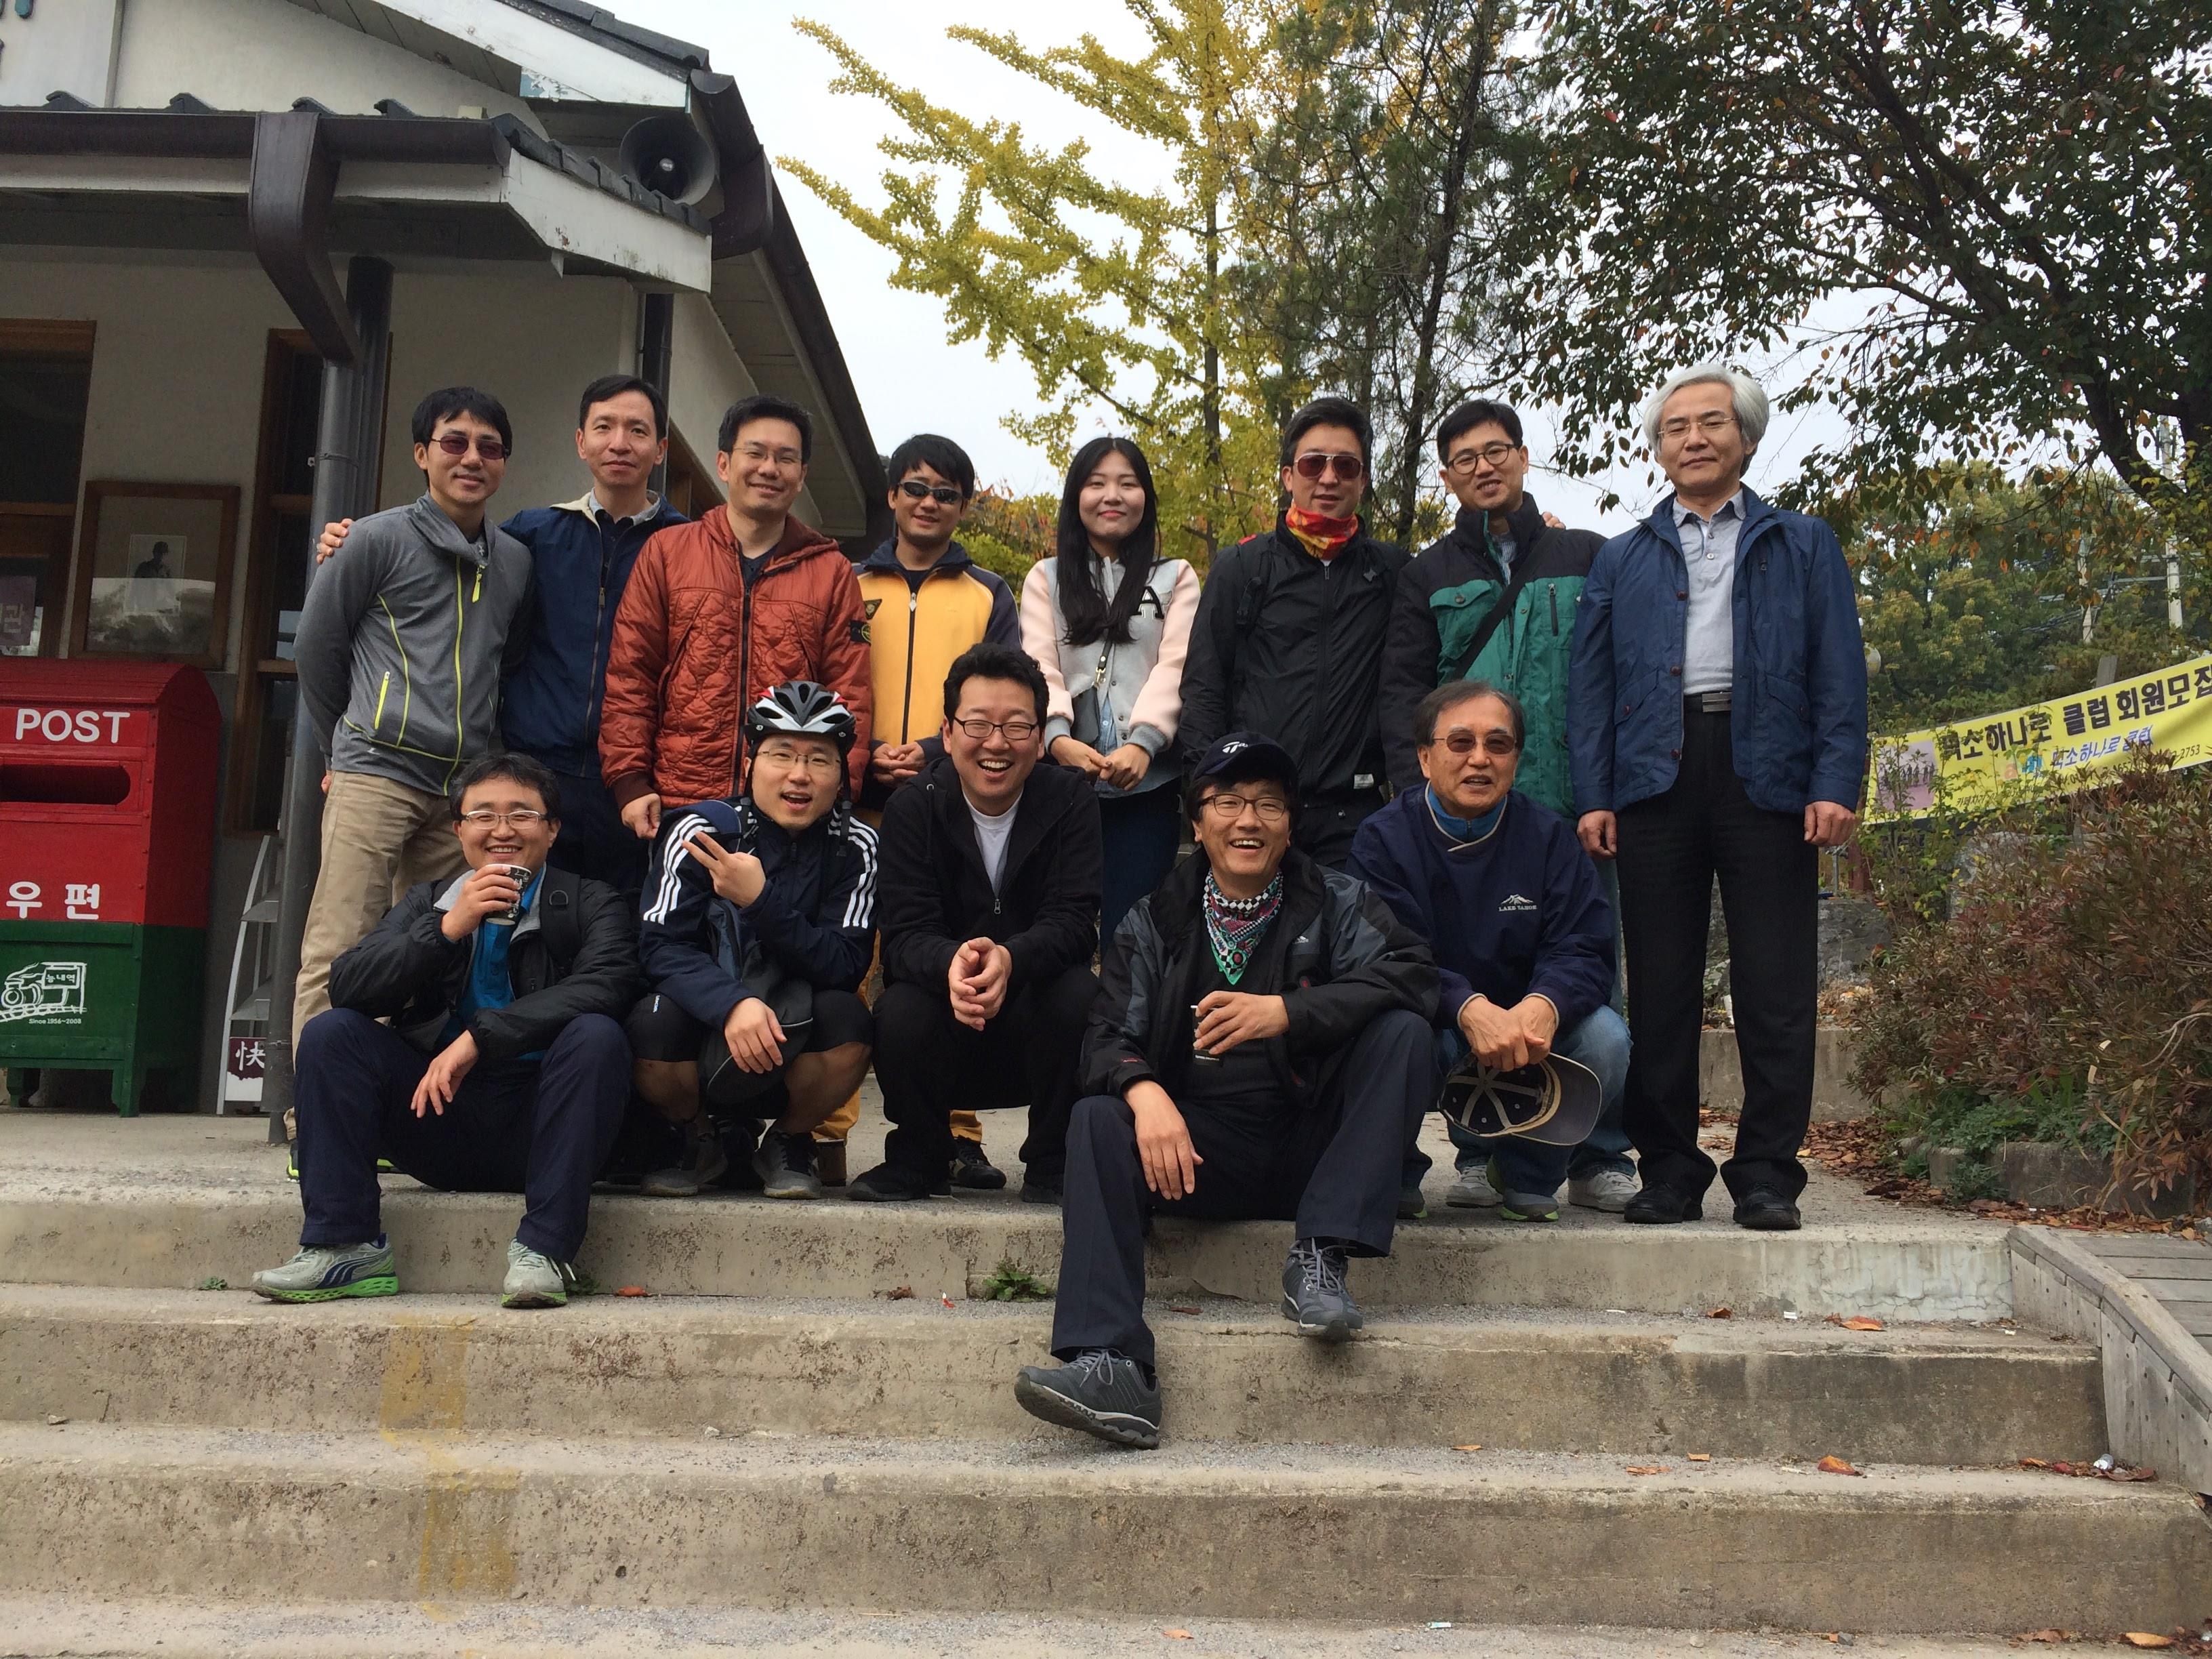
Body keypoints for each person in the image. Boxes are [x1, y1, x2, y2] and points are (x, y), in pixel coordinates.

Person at [1013, 733, 1437, 1449]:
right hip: (1199, 1153)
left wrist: (1289, 1013)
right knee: (1095, 1116)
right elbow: (1108, 1033)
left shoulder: (1335, 900)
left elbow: (1412, 975)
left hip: (1319, 1150)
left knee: (1405, 1031)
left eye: (1270, 804)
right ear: (1197, 821)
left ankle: (1321, 1257)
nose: (1250, 820)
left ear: (1291, 822)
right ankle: (1111, 1363)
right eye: (1229, 803)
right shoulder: (1155, 920)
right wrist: (1145, 1093)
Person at [1568, 365, 1868, 1231]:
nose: (1693, 439)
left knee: (1775, 983)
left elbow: (1838, 674)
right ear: (1658, 448)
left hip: (1767, 769)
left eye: (1711, 423)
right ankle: (1667, 1169)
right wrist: (1597, 793)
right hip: (1655, 774)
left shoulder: (1802, 543)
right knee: (1660, 985)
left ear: (1745, 436)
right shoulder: (1624, 557)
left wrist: (1835, 779)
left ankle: (1769, 1173)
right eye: (1675, 428)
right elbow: (1590, 689)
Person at [251, 754, 639, 1309]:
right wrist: (447, 927)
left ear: (552, 829)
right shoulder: (427, 901)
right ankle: (345, 1246)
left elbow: (608, 984)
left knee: (597, 1035)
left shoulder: (590, 901)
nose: (501, 830)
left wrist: (481, 1036)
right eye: (482, 815)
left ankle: (545, 1251)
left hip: (546, 1124)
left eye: (522, 815)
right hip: (438, 1116)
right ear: (459, 830)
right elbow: (351, 986)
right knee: (332, 1033)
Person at [1376, 398, 1635, 1212]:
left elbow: (1615, 681)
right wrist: (1410, 797)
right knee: (1452, 982)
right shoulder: (1428, 575)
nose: (1483, 467)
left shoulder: (1587, 556)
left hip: (1571, 809)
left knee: (1591, 991)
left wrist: (1608, 792)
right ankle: (1481, 1146)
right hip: (1457, 809)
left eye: (1498, 451)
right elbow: (1400, 695)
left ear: (1524, 458)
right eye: (1465, 458)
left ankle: (1597, 1150)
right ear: (1447, 475)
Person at [319, 375, 689, 895]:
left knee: (623, 933)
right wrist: (349, 541)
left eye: (637, 430)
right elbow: (446, 552)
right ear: (582, 442)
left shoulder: (689, 547)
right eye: (604, 427)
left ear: (660, 448)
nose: (620, 443)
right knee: (512, 927)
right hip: (531, 776)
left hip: (635, 784)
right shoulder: (530, 537)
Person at [291, 386, 534, 1044]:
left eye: (489, 447)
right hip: (375, 772)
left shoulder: (513, 560)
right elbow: (316, 648)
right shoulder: (371, 540)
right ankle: (317, 1115)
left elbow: (503, 665)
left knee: (431, 949)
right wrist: (337, 748)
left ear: (504, 463)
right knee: (341, 941)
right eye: (454, 442)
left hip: (460, 789)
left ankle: (399, 1112)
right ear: (422, 454)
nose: (471, 458)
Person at [1350, 682, 1630, 1221]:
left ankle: (1525, 1172)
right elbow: (1385, 951)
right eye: (1460, 743)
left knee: (1605, 1037)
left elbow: (1585, 946)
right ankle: (1395, 1168)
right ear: (1426, 759)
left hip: (1529, 1029)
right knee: (1384, 1028)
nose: (1479, 759)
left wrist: (1545, 1004)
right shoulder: (1381, 839)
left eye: (1497, 745)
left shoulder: (1549, 837)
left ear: (1516, 760)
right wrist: (1464, 1006)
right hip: (1434, 1020)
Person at [852, 642, 1102, 1204]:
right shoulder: (914, 806)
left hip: (1034, 1021)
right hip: (947, 1022)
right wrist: (953, 965)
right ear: (947, 732)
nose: (996, 743)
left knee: (1082, 994)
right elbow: (904, 937)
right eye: (978, 724)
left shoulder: (1070, 802)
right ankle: (920, 1155)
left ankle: (1055, 1162)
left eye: (1016, 727)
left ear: (1040, 739)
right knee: (897, 1008)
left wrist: (1011, 959)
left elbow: (1074, 922)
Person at [843, 432, 1016, 1189]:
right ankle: (825, 1130)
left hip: (948, 799)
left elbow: (1005, 691)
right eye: (916, 488)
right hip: (854, 799)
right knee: (853, 962)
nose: (929, 503)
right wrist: (861, 750)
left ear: (963, 505)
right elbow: (822, 680)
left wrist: (933, 751)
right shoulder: (846, 581)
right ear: (891, 496)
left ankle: (959, 1131)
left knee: (956, 955)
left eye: (946, 493)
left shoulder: (988, 591)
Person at [628, 683, 876, 1201]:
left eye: (819, 760)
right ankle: (697, 1138)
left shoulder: (857, 846)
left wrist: (760, 901)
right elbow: (659, 946)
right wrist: (731, 1003)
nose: (799, 775)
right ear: (751, 760)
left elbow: (846, 964)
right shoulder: (702, 829)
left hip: (797, 1021)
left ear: (841, 772)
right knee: (650, 1022)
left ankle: (788, 1139)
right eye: (781, 754)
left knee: (852, 1022)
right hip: (706, 1021)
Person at [599, 393, 874, 846]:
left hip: (789, 811)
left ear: (801, 476)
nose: (769, 468)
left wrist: (840, 792)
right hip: (679, 803)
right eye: (756, 453)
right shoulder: (668, 553)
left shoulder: (831, 571)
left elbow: (851, 694)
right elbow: (632, 677)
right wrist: (630, 781)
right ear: (724, 464)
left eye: (786, 458)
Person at [1178, 396, 1407, 868]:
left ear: (1363, 480)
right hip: (1255, 808)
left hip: (1354, 815)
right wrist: (1206, 794)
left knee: (1349, 943)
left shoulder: (1394, 574)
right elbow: (1204, 685)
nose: (1328, 477)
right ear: (1288, 476)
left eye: (1346, 466)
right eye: (1312, 463)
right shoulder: (1242, 567)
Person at [1021, 435, 1200, 943]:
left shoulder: (1175, 577)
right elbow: (1039, 662)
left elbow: (1177, 664)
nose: (1112, 496)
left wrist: (1144, 744)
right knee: (1059, 923)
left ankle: (1127, 1021)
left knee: (1136, 929)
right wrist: (1055, 737)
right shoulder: (1047, 578)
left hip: (1147, 786)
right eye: (1096, 483)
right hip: (1061, 779)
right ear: (1076, 496)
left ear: (1146, 497)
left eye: (1128, 483)